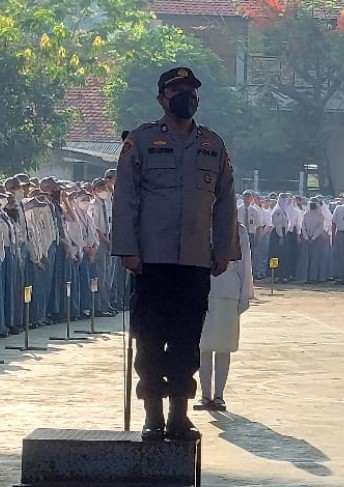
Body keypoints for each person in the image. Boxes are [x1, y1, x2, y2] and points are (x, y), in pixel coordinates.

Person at [112, 66, 241, 442]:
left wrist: (224, 250)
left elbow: (225, 201)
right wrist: (127, 248)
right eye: (178, 91)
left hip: (196, 261)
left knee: (187, 340)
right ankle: (153, 414)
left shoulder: (213, 144)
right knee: (150, 339)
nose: (187, 96)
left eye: (191, 90)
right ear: (161, 99)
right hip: (151, 260)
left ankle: (179, 414)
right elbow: (125, 198)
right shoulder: (141, 141)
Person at [194, 218, 253, 412]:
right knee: (203, 347)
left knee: (224, 348)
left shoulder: (238, 230)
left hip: (228, 290)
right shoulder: (199, 225)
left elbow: (245, 264)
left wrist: (245, 295)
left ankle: (219, 395)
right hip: (202, 291)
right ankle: (205, 395)